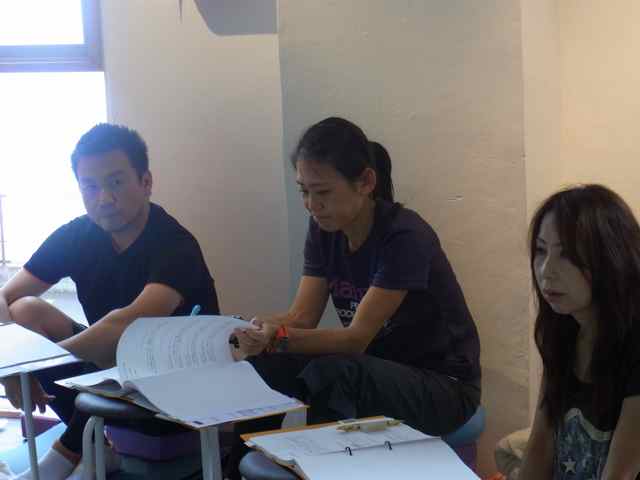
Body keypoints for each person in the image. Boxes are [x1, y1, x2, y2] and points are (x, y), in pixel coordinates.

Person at [226, 116, 481, 477]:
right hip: (376, 372)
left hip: (445, 388)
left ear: (365, 182)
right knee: (264, 363)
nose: (312, 205)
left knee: (334, 372)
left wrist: (278, 337)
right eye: (304, 191)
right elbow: (301, 319)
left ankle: (318, 469)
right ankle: (235, 471)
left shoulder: (405, 235)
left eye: (323, 192)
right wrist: (251, 330)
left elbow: (355, 339)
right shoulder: (324, 230)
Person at [0, 123, 220, 480]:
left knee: (113, 341)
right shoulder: (79, 234)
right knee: (25, 311)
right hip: (110, 375)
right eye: (90, 186)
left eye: (116, 182)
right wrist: (11, 369)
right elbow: (5, 297)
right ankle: (98, 448)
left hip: (175, 385)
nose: (104, 198)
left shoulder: (175, 243)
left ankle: (64, 456)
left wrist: (31, 368)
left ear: (145, 182)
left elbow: (126, 325)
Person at [519, 184, 640, 480]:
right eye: (541, 250)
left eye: (568, 255)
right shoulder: (561, 329)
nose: (546, 271)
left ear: (611, 257)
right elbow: (540, 445)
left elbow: (620, 474)